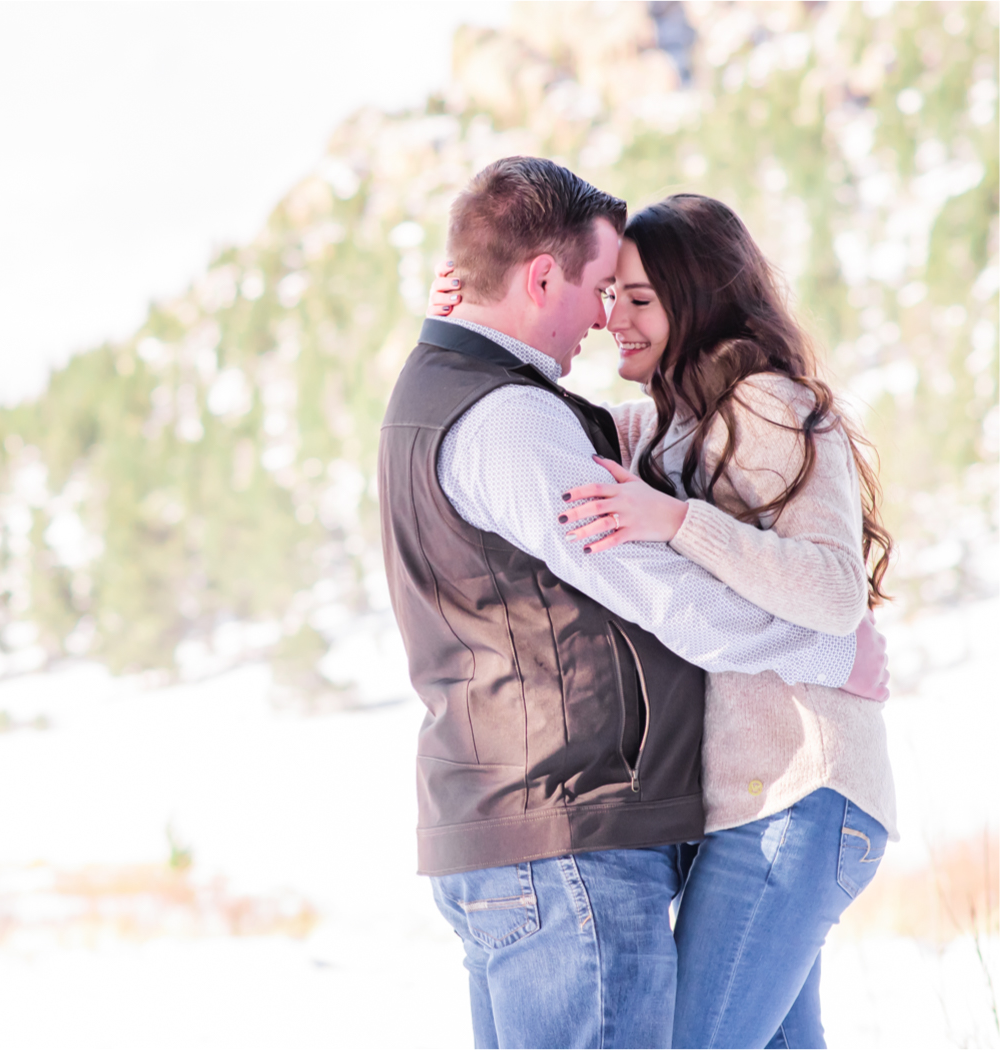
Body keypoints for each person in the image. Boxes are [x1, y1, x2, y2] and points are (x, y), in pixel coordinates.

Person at [381, 155, 889, 1050]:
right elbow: (593, 498)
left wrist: (685, 524)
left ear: (698, 301)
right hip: (684, 812)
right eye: (606, 291)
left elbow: (831, 589)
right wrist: (458, 324)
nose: (609, 316)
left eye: (638, 298)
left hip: (799, 786)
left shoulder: (769, 406)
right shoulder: (643, 425)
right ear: (543, 278)